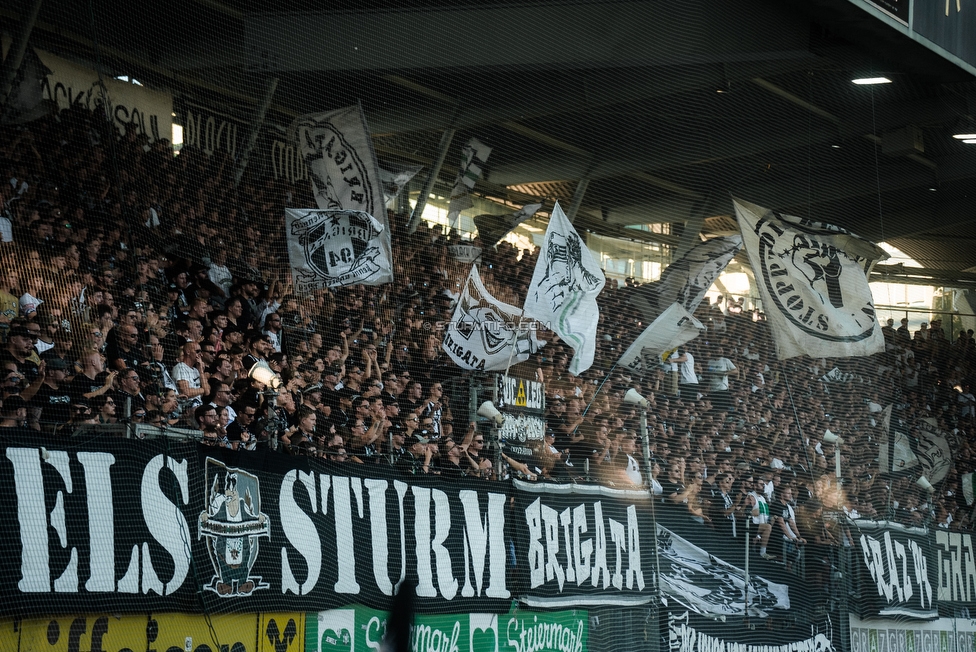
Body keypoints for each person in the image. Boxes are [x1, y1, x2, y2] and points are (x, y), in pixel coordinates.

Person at [747, 476, 776, 560]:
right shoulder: (751, 496)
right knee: (768, 527)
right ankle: (763, 553)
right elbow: (747, 513)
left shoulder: (763, 498)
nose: (763, 486)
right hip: (752, 525)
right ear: (755, 485)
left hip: (759, 528)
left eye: (763, 485)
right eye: (761, 484)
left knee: (769, 524)